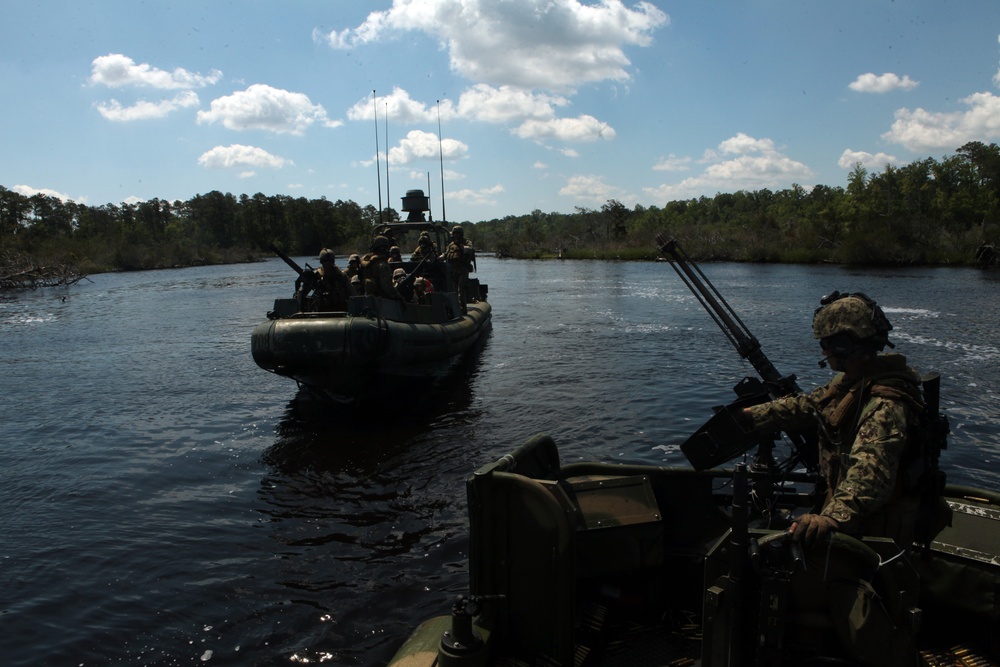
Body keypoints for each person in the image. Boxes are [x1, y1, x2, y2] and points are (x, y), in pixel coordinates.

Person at [741, 292, 939, 549]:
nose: (824, 350)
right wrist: (751, 415)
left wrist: (831, 518)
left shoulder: (884, 405)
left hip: (873, 533)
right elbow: (810, 404)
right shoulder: (855, 380)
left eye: (827, 343)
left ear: (846, 344)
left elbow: (871, 475)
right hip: (851, 516)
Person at [361, 236, 404, 302]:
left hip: (368, 298)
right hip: (381, 301)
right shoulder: (382, 266)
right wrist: (399, 297)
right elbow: (387, 287)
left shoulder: (366, 262)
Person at [444, 225, 476, 311]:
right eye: (455, 233)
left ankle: (463, 308)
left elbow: (470, 249)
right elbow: (446, 254)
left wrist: (463, 247)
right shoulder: (451, 245)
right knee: (453, 289)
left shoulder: (466, 242)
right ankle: (456, 306)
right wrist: (441, 257)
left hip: (463, 269)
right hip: (453, 269)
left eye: (458, 233)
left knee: (461, 288)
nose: (456, 235)